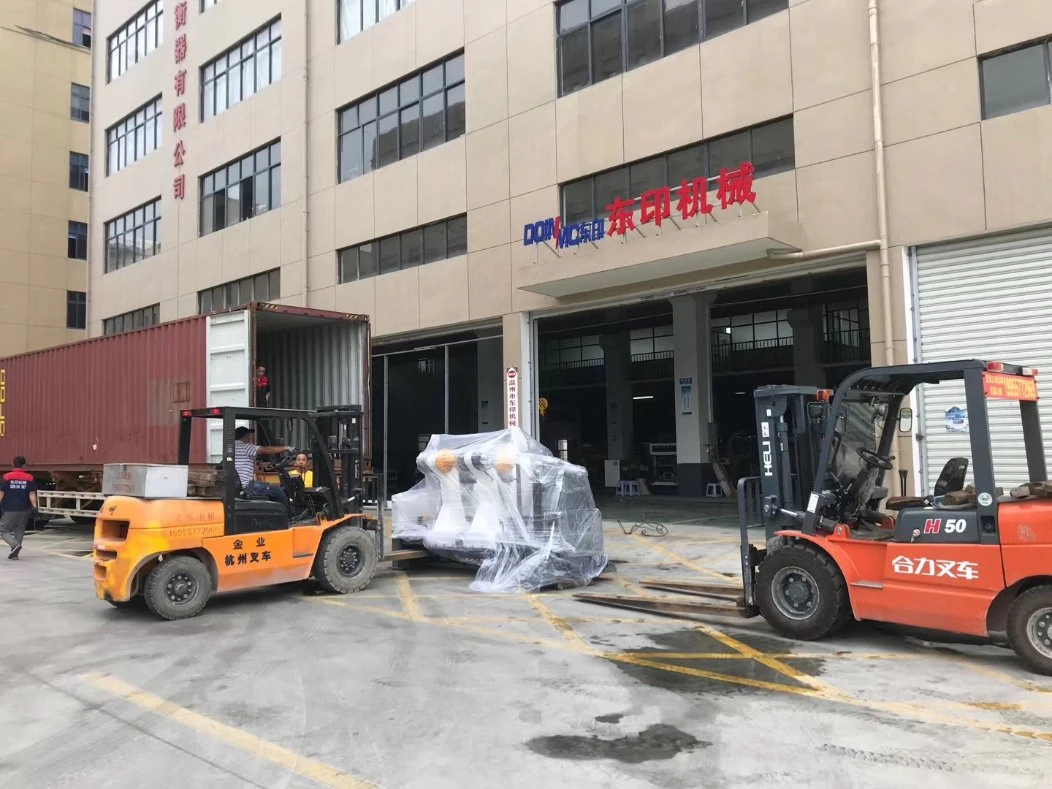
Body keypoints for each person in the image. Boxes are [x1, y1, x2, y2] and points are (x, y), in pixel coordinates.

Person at [233, 427, 291, 513]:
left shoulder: (231, 447)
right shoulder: (246, 447)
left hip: (237, 486)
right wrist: (286, 448)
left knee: (269, 488)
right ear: (244, 436)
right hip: (248, 487)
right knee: (277, 490)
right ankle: (288, 515)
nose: (250, 438)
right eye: (248, 435)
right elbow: (266, 450)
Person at [0, 457, 37, 560]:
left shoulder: (6, 477)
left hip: (9, 509)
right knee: (19, 530)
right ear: (24, 465)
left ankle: (13, 545)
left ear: (13, 465)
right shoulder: (29, 478)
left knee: (3, 530)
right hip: (24, 509)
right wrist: (34, 506)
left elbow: (1, 493)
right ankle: (15, 553)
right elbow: (32, 493)